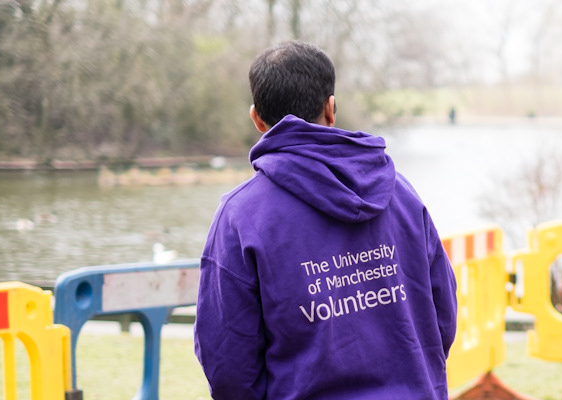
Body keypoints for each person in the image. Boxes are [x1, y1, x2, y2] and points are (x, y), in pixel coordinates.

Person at [193, 41, 458, 399]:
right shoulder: (401, 193)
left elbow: (227, 363)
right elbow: (442, 317)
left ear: (257, 119)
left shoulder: (240, 217)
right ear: (330, 108)